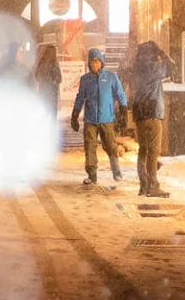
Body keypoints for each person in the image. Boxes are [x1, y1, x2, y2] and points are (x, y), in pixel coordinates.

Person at [70, 48, 128, 187]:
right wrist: (75, 114)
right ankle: (92, 175)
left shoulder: (111, 77)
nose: (94, 65)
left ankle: (116, 170)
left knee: (111, 146)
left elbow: (120, 95)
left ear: (101, 62)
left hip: (107, 119)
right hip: (90, 119)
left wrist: (123, 111)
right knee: (90, 146)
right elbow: (80, 98)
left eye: (97, 62)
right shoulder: (85, 80)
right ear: (89, 63)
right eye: (92, 62)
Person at [127, 40, 171, 198]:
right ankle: (152, 184)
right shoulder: (152, 67)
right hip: (152, 112)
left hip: (139, 113)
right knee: (153, 150)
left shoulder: (137, 67)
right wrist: (162, 53)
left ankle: (143, 184)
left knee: (143, 150)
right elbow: (172, 67)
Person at [32, 44, 63, 122]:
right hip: (52, 94)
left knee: (44, 114)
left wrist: (44, 82)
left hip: (43, 93)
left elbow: (36, 76)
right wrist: (53, 82)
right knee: (52, 116)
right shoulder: (54, 64)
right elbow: (59, 79)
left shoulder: (42, 63)